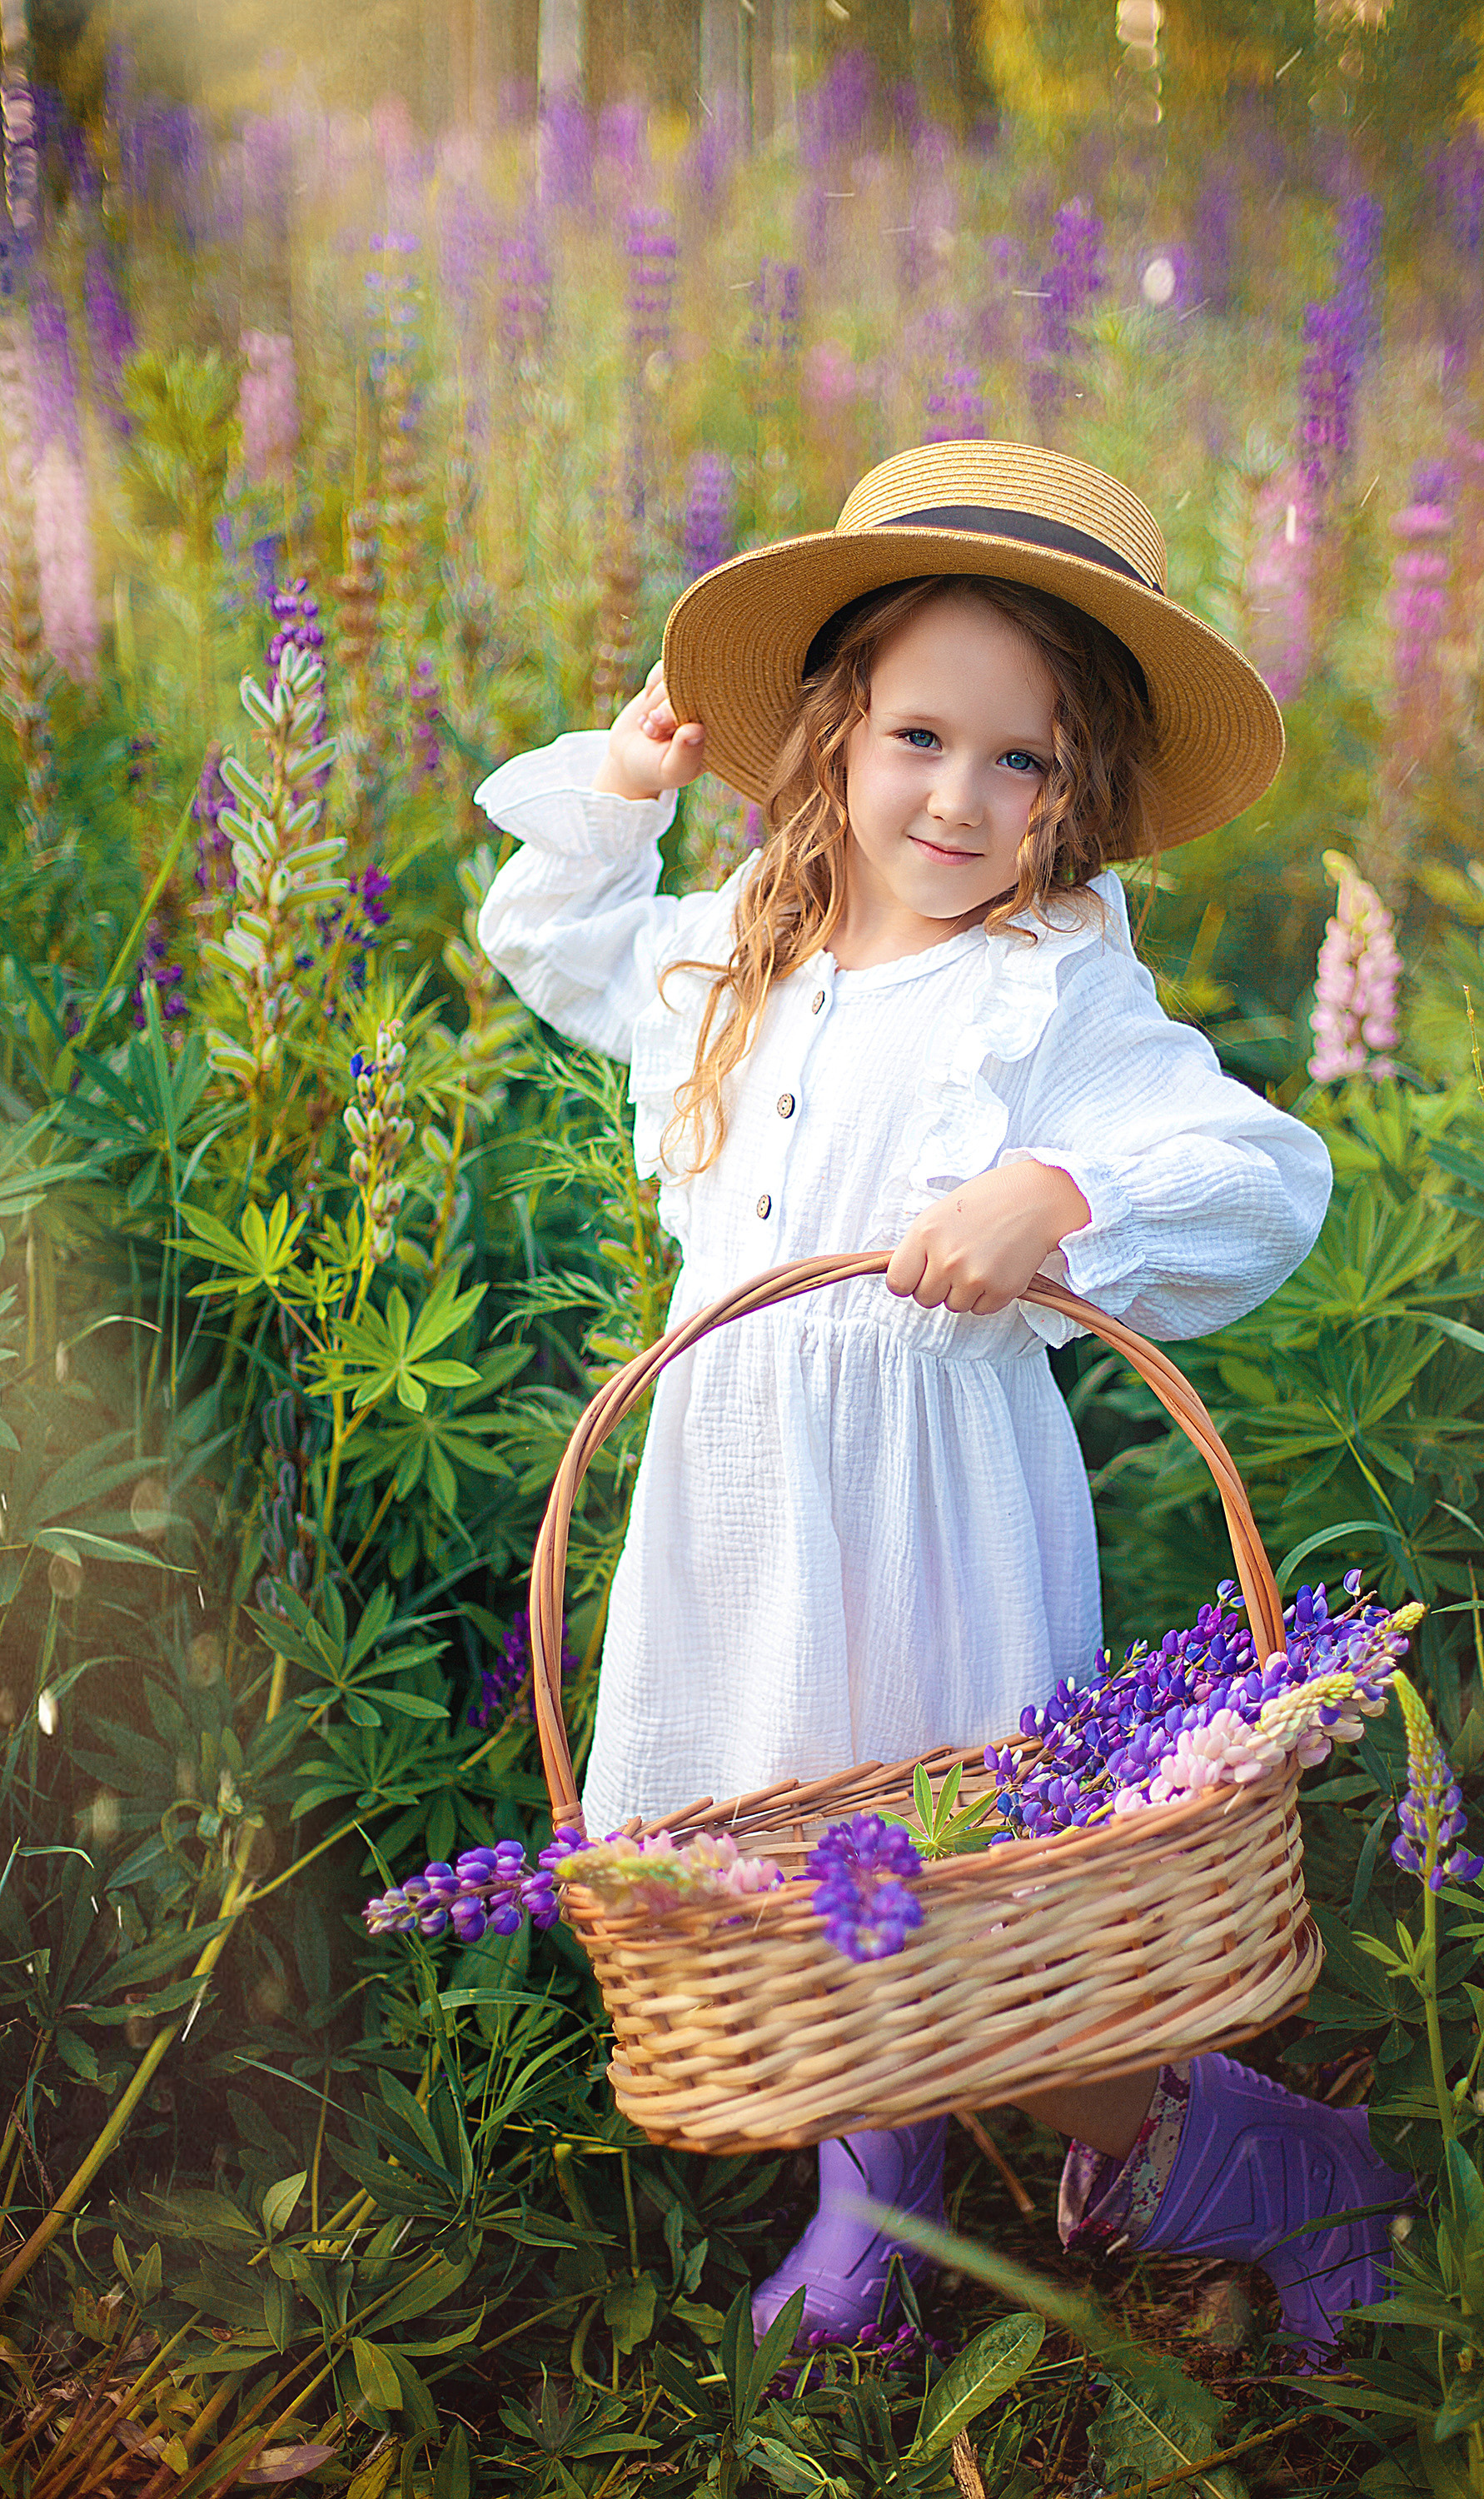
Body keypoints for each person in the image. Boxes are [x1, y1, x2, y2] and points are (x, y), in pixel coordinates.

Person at [476, 440, 1410, 2363]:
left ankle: (1273, 2166)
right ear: (827, 733)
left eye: (1022, 760)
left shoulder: (1050, 986)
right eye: (917, 735)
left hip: (926, 1504)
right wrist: (617, 794)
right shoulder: (747, 942)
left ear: (1082, 792)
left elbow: (1255, 1173)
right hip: (737, 1502)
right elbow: (558, 947)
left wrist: (1058, 1193)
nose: (960, 798)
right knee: (777, 1879)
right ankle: (876, 2201)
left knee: (985, 1914)